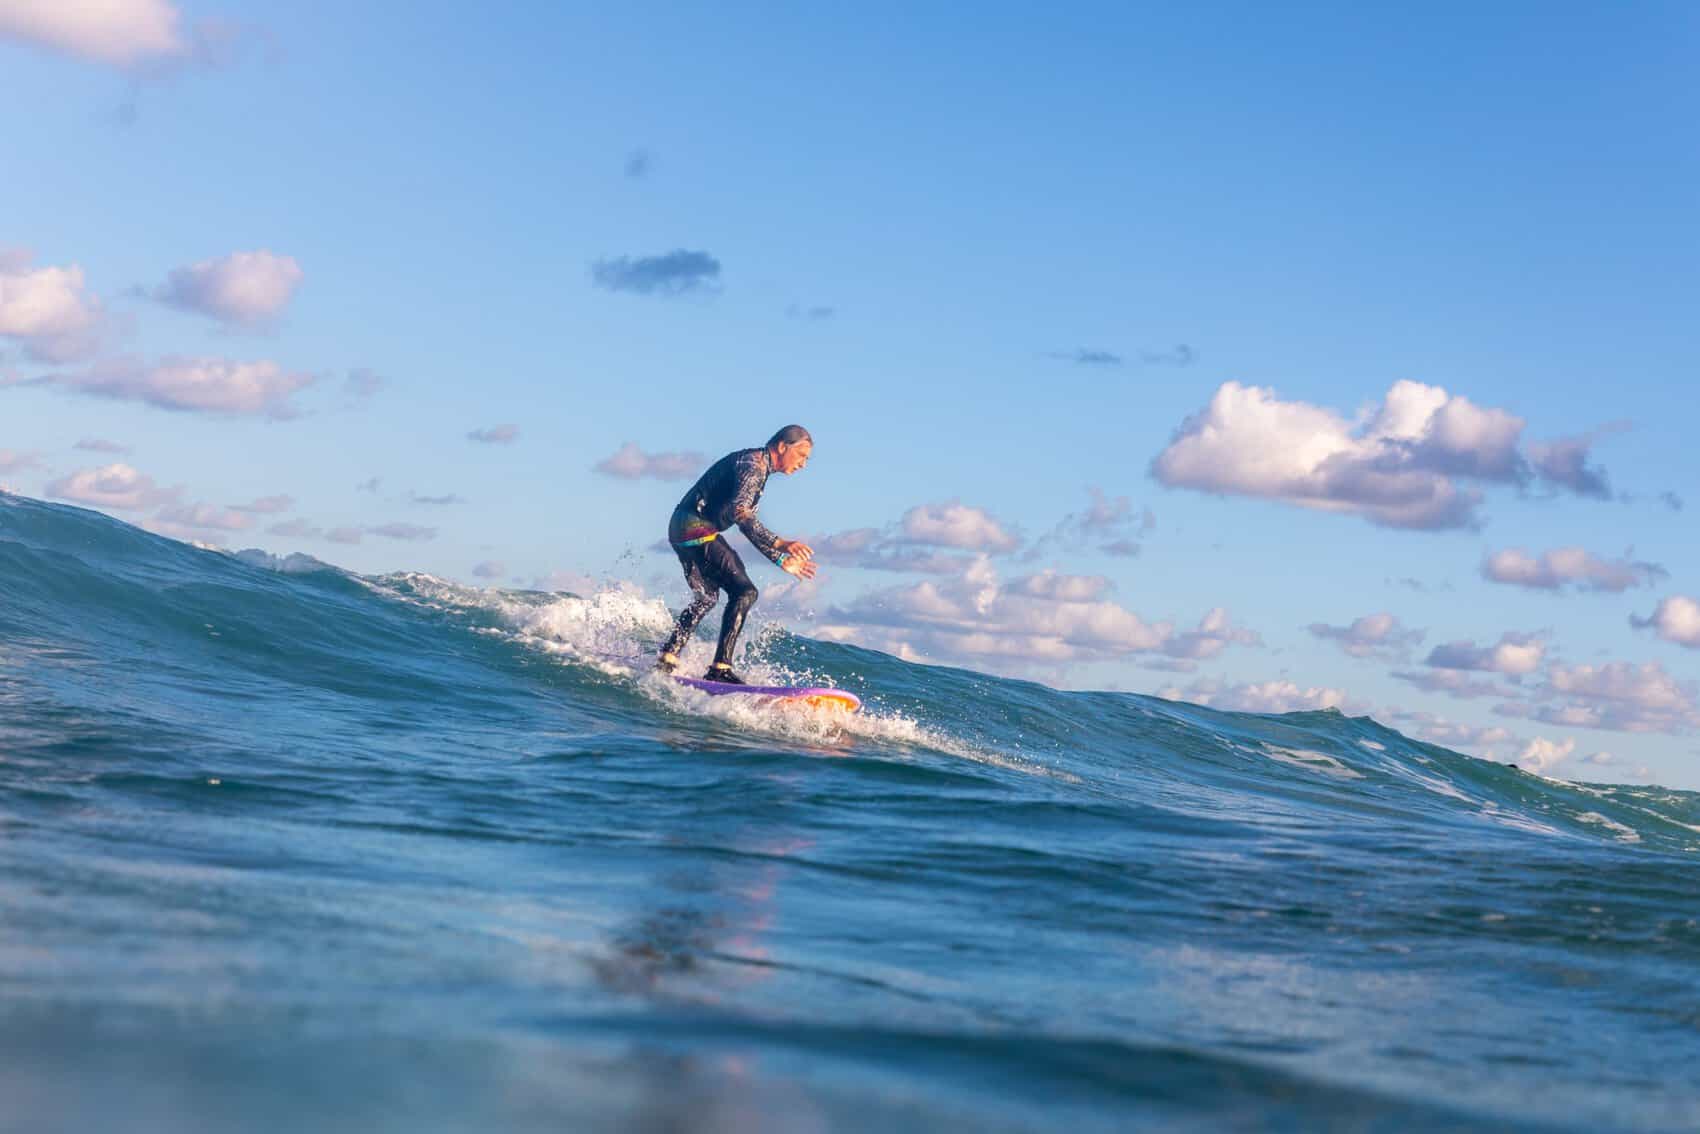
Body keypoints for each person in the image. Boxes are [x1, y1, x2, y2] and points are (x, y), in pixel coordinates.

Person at [656, 425, 818, 683]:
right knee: (745, 592)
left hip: (682, 527)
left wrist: (778, 558)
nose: (803, 464)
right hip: (695, 528)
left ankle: (668, 656)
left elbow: (744, 522)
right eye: (801, 455)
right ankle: (720, 669)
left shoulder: (757, 465)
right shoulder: (753, 467)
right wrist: (779, 543)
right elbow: (739, 513)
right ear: (781, 446)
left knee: (707, 597)